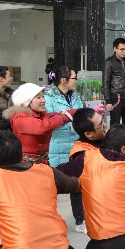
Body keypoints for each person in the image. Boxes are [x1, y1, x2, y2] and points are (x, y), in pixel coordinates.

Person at [45, 66, 88, 234]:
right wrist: (69, 118)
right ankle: (47, 221)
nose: (76, 81)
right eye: (74, 78)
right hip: (57, 146)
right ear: (64, 80)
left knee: (77, 185)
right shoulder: (48, 98)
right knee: (52, 186)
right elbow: (51, 121)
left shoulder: (75, 96)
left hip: (75, 146)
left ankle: (80, 220)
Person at [4, 82, 76, 164]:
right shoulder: (20, 118)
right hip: (26, 166)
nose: (43, 100)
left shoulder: (41, 115)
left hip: (41, 163)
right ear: (26, 102)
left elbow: (55, 115)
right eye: (38, 97)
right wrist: (64, 117)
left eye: (43, 96)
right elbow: (43, 127)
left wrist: (77, 112)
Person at [103, 38, 125, 129]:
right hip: (116, 99)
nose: (124, 51)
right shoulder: (109, 62)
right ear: (115, 49)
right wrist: (108, 101)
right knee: (115, 126)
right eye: (121, 49)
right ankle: (114, 143)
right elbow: (106, 82)